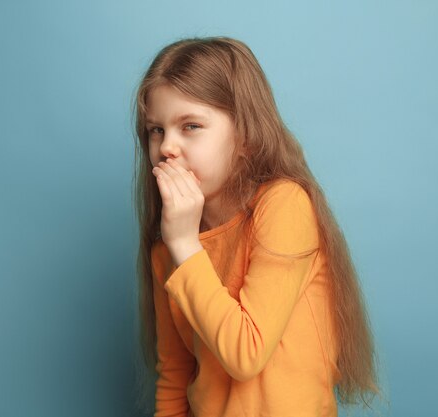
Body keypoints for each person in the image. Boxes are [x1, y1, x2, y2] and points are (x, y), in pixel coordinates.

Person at [131, 36, 380, 417]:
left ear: (245, 136)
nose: (167, 147)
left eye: (191, 126)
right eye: (156, 130)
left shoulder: (284, 206)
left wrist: (184, 246)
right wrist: (178, 244)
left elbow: (246, 354)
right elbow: (175, 377)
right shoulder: (167, 249)